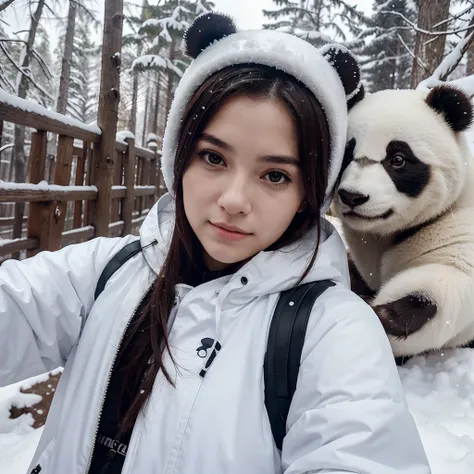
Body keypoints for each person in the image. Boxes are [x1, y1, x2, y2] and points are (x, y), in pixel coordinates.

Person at [0, 12, 430, 474]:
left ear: (310, 193)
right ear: (179, 158)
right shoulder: (106, 272)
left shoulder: (332, 332)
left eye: (275, 175)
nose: (233, 200)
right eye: (212, 157)